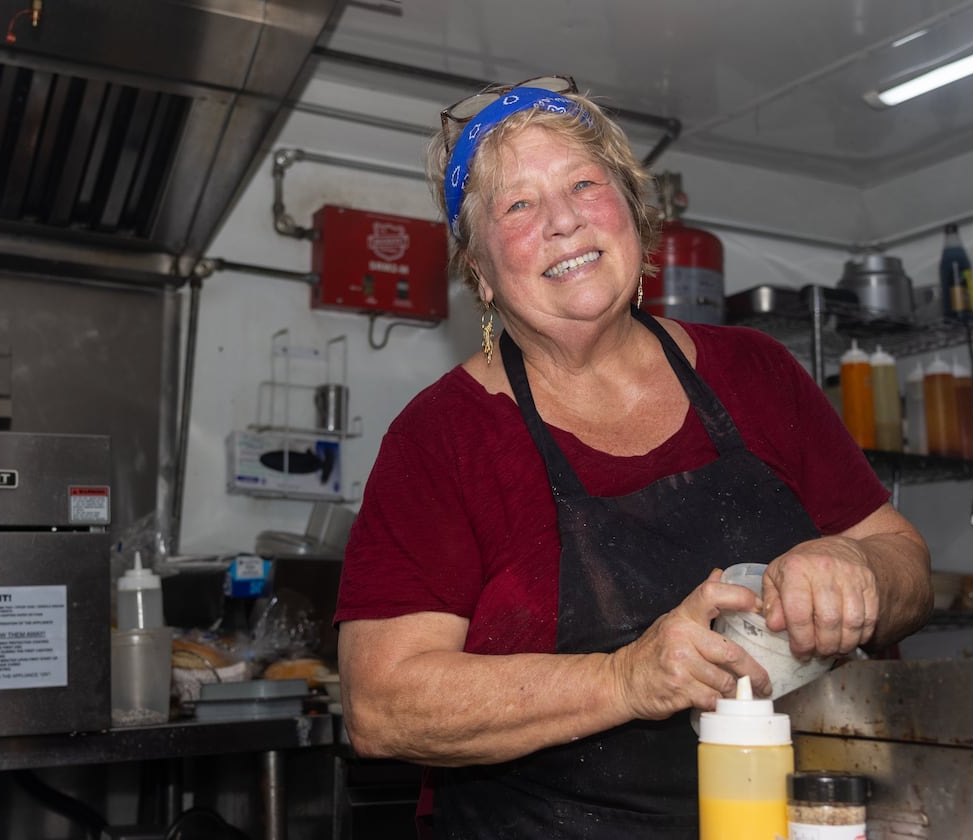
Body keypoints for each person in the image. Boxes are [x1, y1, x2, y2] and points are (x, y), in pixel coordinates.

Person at [333, 75, 932, 839]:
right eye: (517, 205)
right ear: (478, 272)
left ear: (635, 219)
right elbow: (381, 707)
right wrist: (626, 678)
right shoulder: (440, 439)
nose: (563, 221)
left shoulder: (755, 371)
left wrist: (863, 571)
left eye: (585, 183)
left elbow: (907, 564)